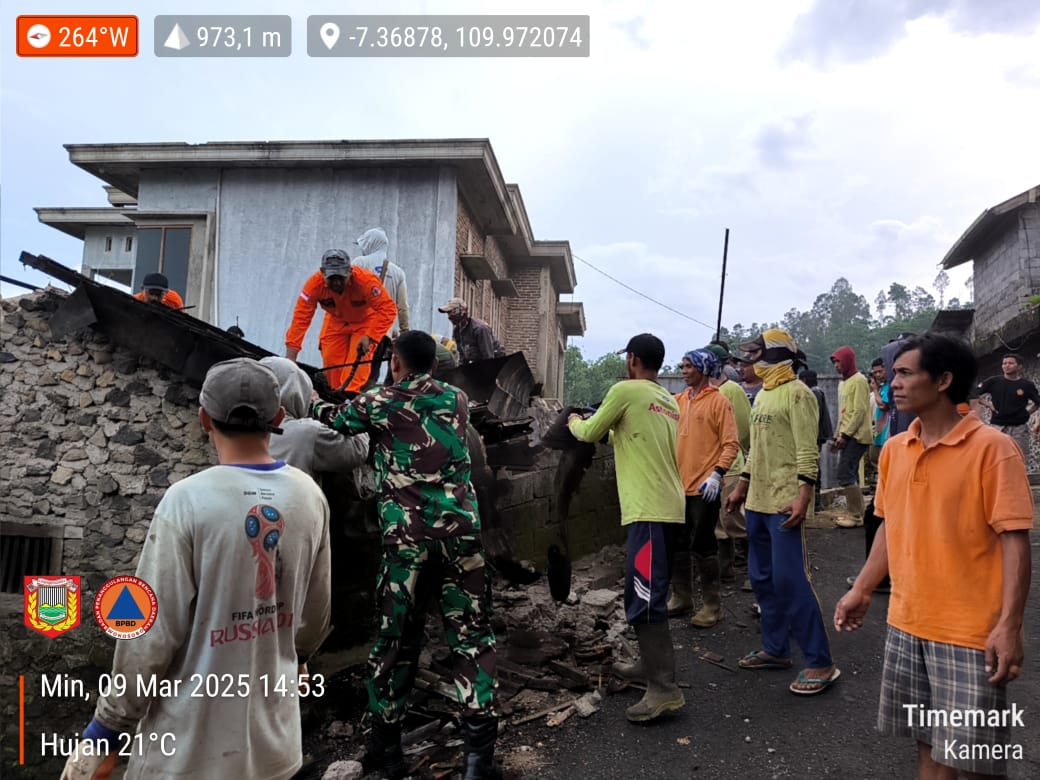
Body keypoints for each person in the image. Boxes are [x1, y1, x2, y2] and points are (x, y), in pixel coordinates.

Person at [60, 358, 331, 780]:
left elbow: (149, 635)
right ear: (279, 418)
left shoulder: (186, 501)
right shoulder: (309, 496)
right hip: (275, 750)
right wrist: (297, 657)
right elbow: (313, 618)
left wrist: (107, 730)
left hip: (186, 756)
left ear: (204, 417)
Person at [835, 333, 1033, 779]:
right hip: (908, 623)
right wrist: (863, 589)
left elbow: (1015, 540)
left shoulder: (993, 450)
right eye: (894, 374)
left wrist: (1009, 625)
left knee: (978, 763)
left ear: (943, 380)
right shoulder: (895, 451)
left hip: (970, 633)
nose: (893, 386)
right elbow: (890, 523)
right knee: (929, 748)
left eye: (905, 374)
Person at [311, 330, 499, 780]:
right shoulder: (456, 399)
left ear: (396, 362)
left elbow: (333, 418)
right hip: (461, 535)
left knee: (396, 639)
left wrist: (310, 392)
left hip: (407, 541)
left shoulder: (381, 401)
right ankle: (478, 762)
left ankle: (387, 751)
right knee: (471, 639)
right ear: (434, 363)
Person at [567, 333, 685, 723]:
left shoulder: (625, 389)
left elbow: (589, 432)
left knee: (644, 598)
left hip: (649, 511)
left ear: (632, 359)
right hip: (669, 507)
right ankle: (648, 670)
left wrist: (573, 420)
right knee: (651, 590)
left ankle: (664, 690)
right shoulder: (667, 400)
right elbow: (631, 436)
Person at [725, 328, 840, 695]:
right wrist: (742, 486)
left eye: (755, 353)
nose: (749, 361)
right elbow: (757, 450)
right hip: (757, 501)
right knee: (761, 578)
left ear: (774, 355)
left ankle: (820, 661)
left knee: (791, 579)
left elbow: (808, 449)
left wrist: (804, 493)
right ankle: (775, 648)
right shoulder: (762, 397)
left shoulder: (798, 394)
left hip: (784, 502)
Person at [670, 348, 740, 627]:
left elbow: (731, 443)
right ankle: (682, 596)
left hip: (703, 487)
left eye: (689, 366)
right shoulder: (678, 401)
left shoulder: (719, 402)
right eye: (683, 365)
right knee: (678, 543)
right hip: (678, 484)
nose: (684, 370)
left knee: (703, 544)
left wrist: (717, 474)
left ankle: (712, 605)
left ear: (703, 369)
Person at [284, 248, 397, 394]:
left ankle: (350, 400)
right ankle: (334, 398)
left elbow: (388, 309)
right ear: (322, 272)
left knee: (355, 371)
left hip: (365, 323)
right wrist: (290, 359)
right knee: (332, 366)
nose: (337, 283)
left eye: (341, 278)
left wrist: (370, 336)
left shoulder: (366, 282)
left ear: (350, 271)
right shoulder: (313, 286)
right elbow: (300, 319)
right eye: (332, 278)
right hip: (336, 322)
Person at [259, 357, 369, 482]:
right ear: (297, 391)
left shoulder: (238, 428)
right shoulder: (308, 433)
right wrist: (318, 404)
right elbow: (357, 449)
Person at [706, 342, 753, 584]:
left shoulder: (731, 390)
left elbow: (744, 428)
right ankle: (726, 569)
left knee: (733, 518)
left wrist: (737, 453)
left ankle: (754, 571)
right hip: (711, 467)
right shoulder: (705, 392)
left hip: (732, 464)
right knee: (719, 524)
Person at [829, 346, 872, 528]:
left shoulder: (859, 380)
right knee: (851, 473)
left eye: (839, 361)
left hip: (857, 435)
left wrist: (845, 435)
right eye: (835, 362)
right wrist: (837, 434)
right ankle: (859, 514)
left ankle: (855, 515)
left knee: (844, 473)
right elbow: (843, 413)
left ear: (847, 361)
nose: (837, 366)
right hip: (847, 434)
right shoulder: (843, 383)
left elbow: (859, 411)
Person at [974, 353, 1040, 469]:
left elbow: (1037, 402)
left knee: (1020, 458)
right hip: (998, 426)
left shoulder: (1026, 385)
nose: (1006, 366)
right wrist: (988, 404)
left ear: (1019, 366)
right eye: (1004, 363)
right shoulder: (993, 381)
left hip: (1019, 428)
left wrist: (1026, 413)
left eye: (1010, 363)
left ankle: (1021, 483)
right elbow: (973, 394)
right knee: (996, 458)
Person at [352, 228, 410, 337]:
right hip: (383, 335)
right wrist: (405, 331)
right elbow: (402, 307)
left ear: (369, 244)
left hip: (360, 332)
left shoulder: (359, 263)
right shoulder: (398, 272)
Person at [798, 369, 833, 513]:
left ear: (804, 380)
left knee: (812, 468)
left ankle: (816, 503)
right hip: (817, 435)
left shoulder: (813, 393)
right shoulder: (817, 391)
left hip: (815, 436)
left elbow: (812, 417)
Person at [438, 297, 505, 364]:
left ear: (461, 311)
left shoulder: (480, 329)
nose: (449, 317)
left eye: (451, 312)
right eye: (448, 313)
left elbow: (488, 358)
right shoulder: (457, 331)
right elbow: (462, 356)